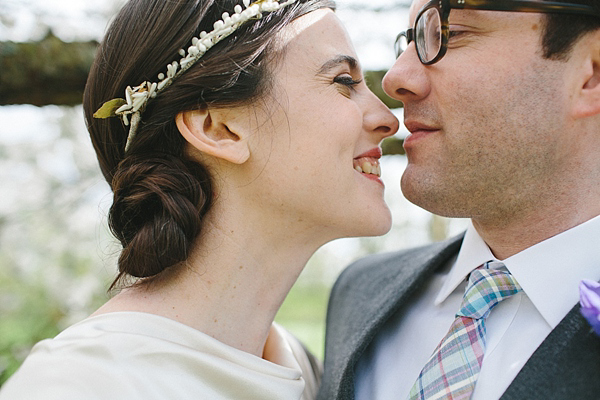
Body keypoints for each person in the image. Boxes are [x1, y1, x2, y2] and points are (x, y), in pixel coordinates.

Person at [0, 0, 399, 399]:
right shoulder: (78, 386)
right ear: (218, 128)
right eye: (343, 82)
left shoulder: (309, 372)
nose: (389, 119)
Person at [318, 0, 600, 399]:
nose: (396, 77)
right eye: (410, 39)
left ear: (591, 75)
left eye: (449, 34)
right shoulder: (359, 294)